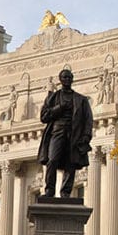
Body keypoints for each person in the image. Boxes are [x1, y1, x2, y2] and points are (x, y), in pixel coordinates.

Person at [37, 69, 93, 199]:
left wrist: (86, 136)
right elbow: (44, 117)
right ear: (60, 80)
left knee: (70, 163)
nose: (67, 79)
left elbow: (88, 120)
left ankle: (65, 193)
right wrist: (59, 108)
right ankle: (49, 190)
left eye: (69, 77)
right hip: (57, 131)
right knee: (52, 160)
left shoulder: (81, 99)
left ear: (72, 79)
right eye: (64, 77)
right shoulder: (53, 97)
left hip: (74, 134)